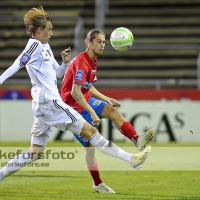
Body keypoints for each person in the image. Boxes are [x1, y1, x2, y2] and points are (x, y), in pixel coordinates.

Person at [0, 6, 152, 190]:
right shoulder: (34, 45)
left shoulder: (45, 47)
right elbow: (17, 64)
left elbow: (56, 74)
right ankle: (132, 159)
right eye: (49, 30)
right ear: (39, 30)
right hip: (50, 102)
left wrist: (64, 63)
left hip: (42, 105)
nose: (52, 33)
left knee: (35, 153)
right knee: (92, 132)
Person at [60, 29, 155, 193]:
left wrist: (106, 98)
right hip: (73, 108)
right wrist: (92, 113)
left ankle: (138, 140)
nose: (103, 45)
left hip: (86, 98)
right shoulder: (82, 62)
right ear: (89, 43)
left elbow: (87, 85)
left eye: (104, 42)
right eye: (99, 42)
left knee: (111, 110)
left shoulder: (93, 60)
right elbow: (75, 93)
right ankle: (97, 183)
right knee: (90, 148)